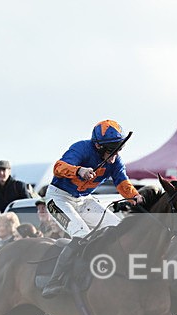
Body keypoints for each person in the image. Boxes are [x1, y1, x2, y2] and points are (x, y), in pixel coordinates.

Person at [41, 119, 143, 298]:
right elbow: (58, 167)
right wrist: (79, 170)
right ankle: (55, 280)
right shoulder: (81, 148)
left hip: (83, 200)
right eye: (112, 149)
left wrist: (135, 196)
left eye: (119, 148)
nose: (115, 154)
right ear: (97, 146)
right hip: (58, 198)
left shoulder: (115, 161)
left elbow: (122, 182)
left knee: (118, 230)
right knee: (81, 234)